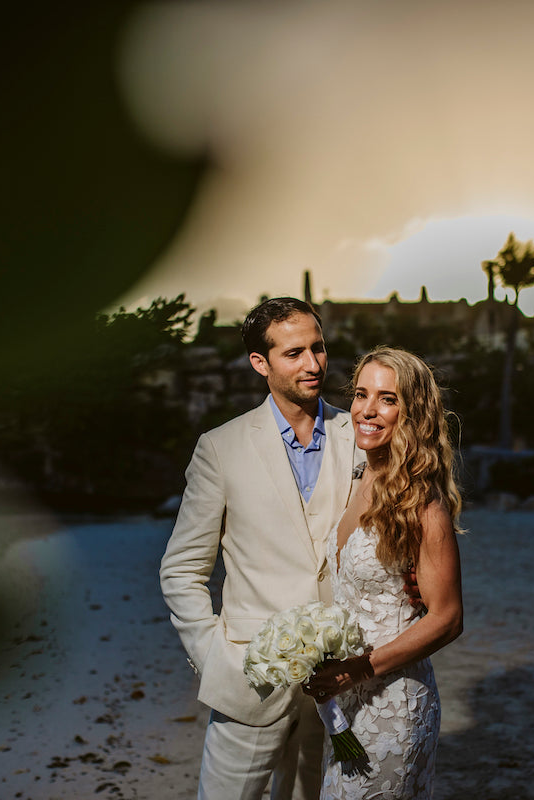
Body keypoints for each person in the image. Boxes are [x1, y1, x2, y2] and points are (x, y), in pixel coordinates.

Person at [159, 297, 361, 799]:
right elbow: (181, 569)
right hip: (251, 679)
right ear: (260, 363)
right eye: (293, 353)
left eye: (318, 348)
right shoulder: (220, 447)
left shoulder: (356, 435)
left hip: (340, 681)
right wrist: (213, 657)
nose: (313, 364)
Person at [302, 346, 464, 800]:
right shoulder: (359, 476)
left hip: (394, 703)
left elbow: (448, 617)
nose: (367, 410)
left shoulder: (422, 501)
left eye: (387, 399)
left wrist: (357, 669)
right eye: (360, 394)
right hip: (344, 700)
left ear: (412, 414)